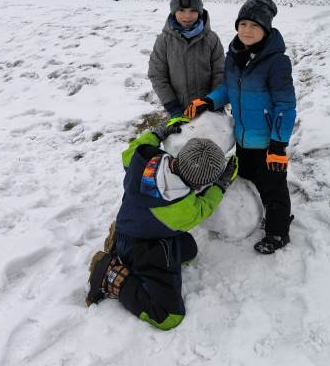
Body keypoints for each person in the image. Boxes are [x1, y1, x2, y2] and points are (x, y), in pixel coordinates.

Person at [86, 123, 239, 330]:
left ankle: (119, 243)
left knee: (189, 250)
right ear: (199, 184)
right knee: (168, 316)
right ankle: (110, 274)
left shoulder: (147, 158)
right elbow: (204, 208)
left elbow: (130, 151)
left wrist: (157, 134)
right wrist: (221, 185)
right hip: (143, 248)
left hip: (131, 224)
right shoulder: (181, 209)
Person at [184, 0, 297, 255]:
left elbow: (285, 106)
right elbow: (228, 89)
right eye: (243, 24)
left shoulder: (277, 63)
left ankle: (278, 231)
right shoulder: (234, 56)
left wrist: (278, 146)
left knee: (274, 188)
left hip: (267, 142)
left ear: (266, 29)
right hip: (243, 138)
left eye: (255, 25)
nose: (247, 30)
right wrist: (208, 101)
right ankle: (257, 213)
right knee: (248, 179)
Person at [148, 0, 225, 119]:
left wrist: (213, 102)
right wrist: (173, 106)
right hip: (178, 109)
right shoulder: (164, 41)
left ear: (200, 11)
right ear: (173, 11)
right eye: (181, 10)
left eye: (193, 10)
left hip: (208, 109)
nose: (187, 16)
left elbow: (220, 74)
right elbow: (157, 75)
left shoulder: (211, 40)